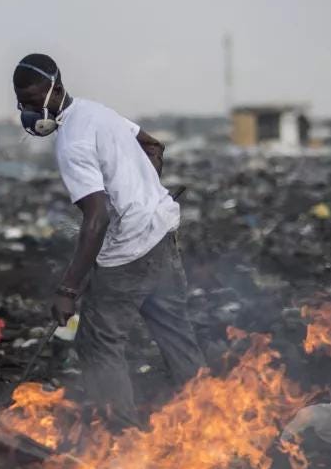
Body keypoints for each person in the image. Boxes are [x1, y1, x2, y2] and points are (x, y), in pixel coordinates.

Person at [13, 53, 205, 432]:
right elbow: (153, 146)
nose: (32, 112)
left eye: (36, 102)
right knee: (176, 335)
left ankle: (124, 441)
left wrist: (68, 288)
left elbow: (96, 217)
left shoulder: (71, 142)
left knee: (98, 344)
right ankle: (211, 422)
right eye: (24, 104)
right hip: (162, 232)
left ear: (55, 88)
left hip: (130, 250)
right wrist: (142, 192)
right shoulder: (97, 112)